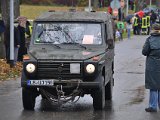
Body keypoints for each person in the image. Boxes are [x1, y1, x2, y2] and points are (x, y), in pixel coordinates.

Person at [142, 23, 160, 112]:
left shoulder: (149, 40)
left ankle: (153, 106)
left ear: (152, 30)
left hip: (152, 66)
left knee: (153, 86)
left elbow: (144, 52)